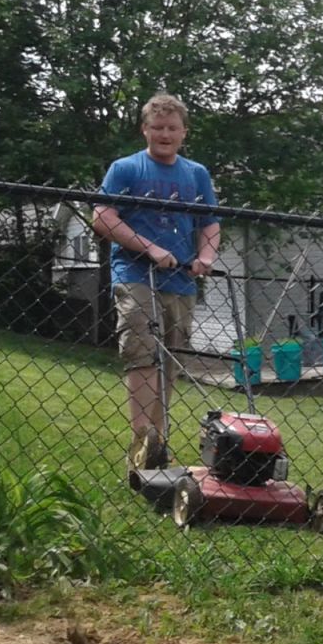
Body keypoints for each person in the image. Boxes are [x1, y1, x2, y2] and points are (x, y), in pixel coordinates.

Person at [91, 93, 221, 470]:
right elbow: (102, 218)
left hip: (180, 279)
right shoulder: (126, 169)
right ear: (145, 130)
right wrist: (148, 247)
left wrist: (206, 257)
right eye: (158, 127)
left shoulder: (196, 174)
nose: (165, 134)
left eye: (172, 128)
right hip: (135, 273)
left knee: (168, 362)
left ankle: (158, 444)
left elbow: (210, 222)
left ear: (183, 133)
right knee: (143, 350)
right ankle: (142, 442)